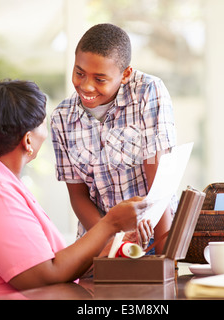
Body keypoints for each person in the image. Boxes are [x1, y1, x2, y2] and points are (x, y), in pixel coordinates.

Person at [0, 79, 148, 300]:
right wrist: (110, 223)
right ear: (28, 140)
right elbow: (44, 275)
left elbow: (46, 261)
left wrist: (106, 248)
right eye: (44, 124)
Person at [50, 23, 177, 254]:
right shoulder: (62, 118)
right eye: (79, 73)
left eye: (100, 79)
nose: (86, 85)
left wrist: (164, 257)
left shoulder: (148, 92)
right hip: (100, 243)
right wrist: (113, 244)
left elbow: (159, 182)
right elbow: (78, 197)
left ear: (125, 74)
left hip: (155, 235)